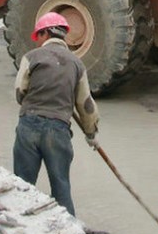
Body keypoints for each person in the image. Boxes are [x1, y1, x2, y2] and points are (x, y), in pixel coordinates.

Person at [12, 12, 99, 216]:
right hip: (58, 130)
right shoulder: (77, 64)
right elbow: (85, 104)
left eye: (38, 36)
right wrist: (91, 134)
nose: (37, 41)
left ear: (44, 34)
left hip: (29, 126)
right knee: (61, 186)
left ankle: (20, 223)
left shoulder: (31, 57)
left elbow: (19, 92)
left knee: (22, 185)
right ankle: (69, 229)